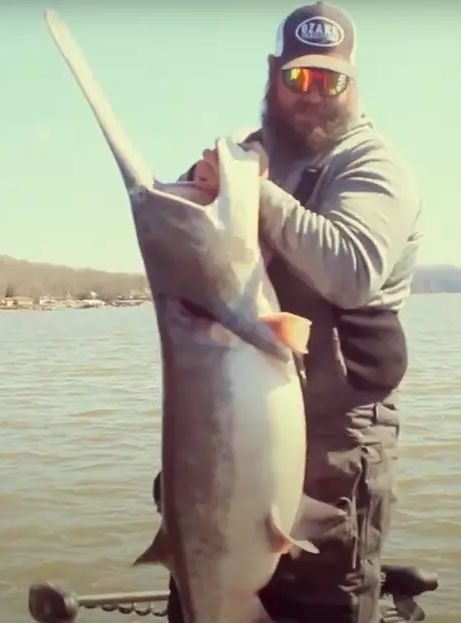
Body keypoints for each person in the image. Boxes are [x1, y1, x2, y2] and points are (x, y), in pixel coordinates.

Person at [157, 3, 423, 623]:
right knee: (204, 594)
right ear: (272, 75)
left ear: (354, 82)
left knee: (320, 605)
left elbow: (352, 272)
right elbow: (179, 252)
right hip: (223, 430)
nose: (314, 94)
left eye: (331, 79)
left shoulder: (373, 164)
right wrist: (196, 193)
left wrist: (253, 192)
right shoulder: (246, 155)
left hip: (335, 444)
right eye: (298, 77)